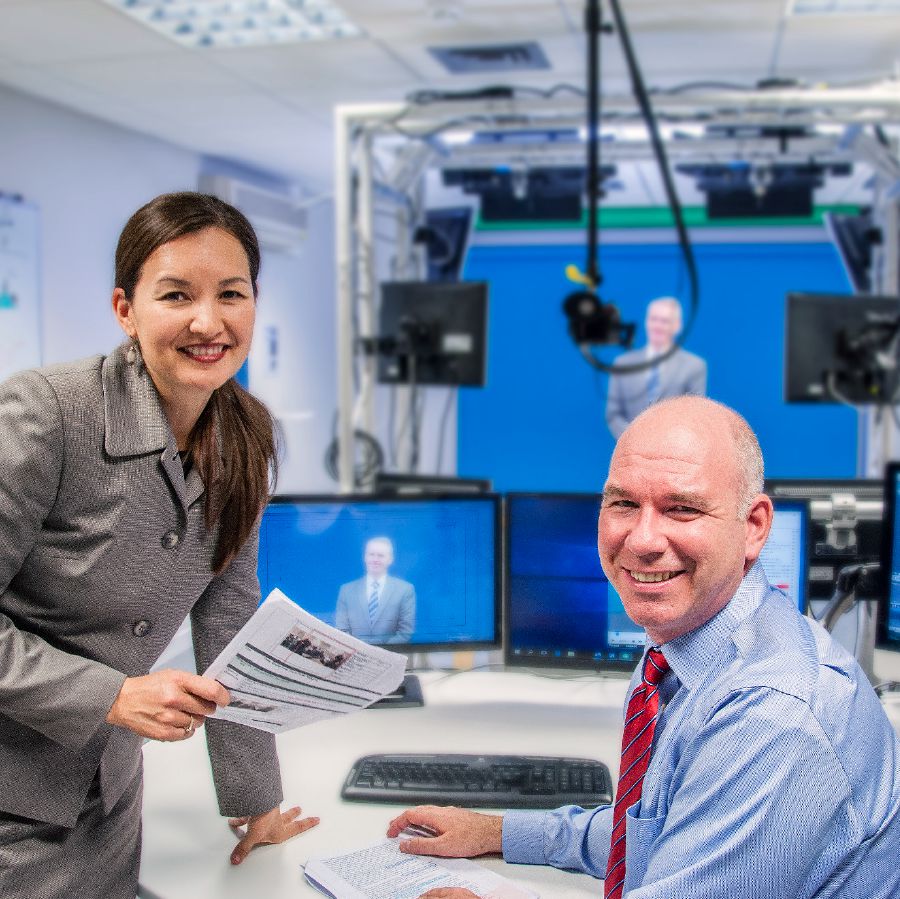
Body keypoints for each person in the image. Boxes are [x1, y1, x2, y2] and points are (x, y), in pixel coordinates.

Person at [386, 396, 900, 899]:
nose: (641, 540)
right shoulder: (683, 650)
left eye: (682, 509)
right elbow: (661, 830)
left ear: (754, 527)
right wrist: (497, 832)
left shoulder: (771, 716)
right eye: (624, 504)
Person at [0, 192, 319, 899]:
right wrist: (111, 694)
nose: (208, 322)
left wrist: (254, 797)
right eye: (176, 295)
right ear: (126, 309)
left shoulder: (245, 436)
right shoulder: (47, 413)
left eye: (231, 294)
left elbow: (228, 622)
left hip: (110, 796)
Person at [605, 297, 706, 440]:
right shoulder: (622, 364)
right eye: (653, 319)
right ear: (646, 321)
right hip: (631, 447)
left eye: (665, 321)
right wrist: (633, 440)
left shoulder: (694, 365)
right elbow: (613, 414)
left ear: (677, 326)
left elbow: (694, 415)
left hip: (673, 448)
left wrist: (665, 444)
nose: (657, 326)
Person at [336, 536, 416, 644]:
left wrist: (380, 652)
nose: (375, 559)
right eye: (371, 554)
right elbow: (341, 631)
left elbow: (405, 633)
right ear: (365, 557)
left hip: (389, 653)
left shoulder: (405, 590)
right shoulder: (346, 590)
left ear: (390, 559)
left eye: (380, 555)